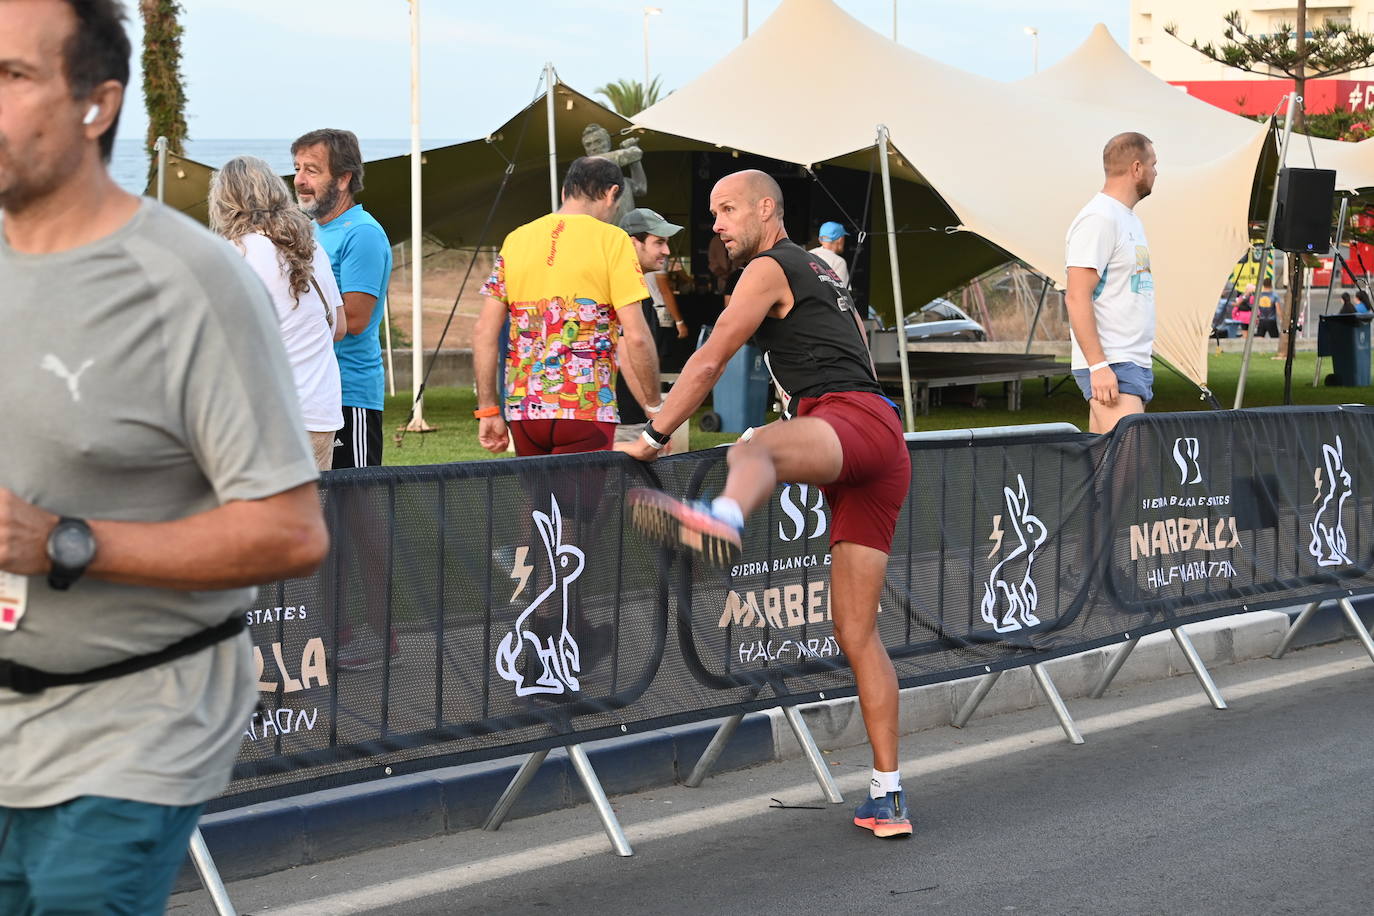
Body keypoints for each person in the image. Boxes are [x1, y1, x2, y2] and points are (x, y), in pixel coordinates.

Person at [0, 1, 328, 911]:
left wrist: (67, 542)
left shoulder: (191, 281)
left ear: (97, 105)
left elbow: (292, 533)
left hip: (132, 727)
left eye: (11, 77)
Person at [622, 170, 913, 839]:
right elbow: (852, 354)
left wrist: (656, 433)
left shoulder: (769, 267)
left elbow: (711, 359)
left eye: (726, 210)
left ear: (765, 209)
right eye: (713, 213)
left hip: (851, 425)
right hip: (880, 443)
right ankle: (887, 796)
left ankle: (722, 521)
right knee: (857, 632)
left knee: (750, 452)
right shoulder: (825, 266)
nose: (717, 224)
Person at [473, 156, 662, 456]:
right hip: (586, 408)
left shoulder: (516, 239)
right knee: (583, 503)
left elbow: (484, 331)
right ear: (613, 193)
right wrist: (655, 406)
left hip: (525, 410)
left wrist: (487, 410)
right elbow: (636, 336)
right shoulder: (614, 240)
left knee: (538, 501)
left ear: (565, 193)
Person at [210, 155, 347, 470]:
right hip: (318, 414)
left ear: (225, 202)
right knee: (312, 516)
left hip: (261, 418)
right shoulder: (310, 247)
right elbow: (338, 327)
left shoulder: (232, 254)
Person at [291, 128, 392, 469]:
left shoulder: (362, 233)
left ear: (344, 178)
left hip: (351, 394)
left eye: (312, 170)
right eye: (298, 168)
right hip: (313, 393)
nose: (299, 180)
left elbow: (356, 320)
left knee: (356, 508)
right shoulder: (314, 231)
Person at [1064, 132, 1158, 435]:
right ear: (1136, 168)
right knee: (1131, 463)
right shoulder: (1099, 219)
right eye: (1153, 164)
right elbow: (1076, 296)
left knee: (1107, 471)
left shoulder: (1129, 219)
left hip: (1133, 360)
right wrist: (1098, 366)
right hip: (1112, 363)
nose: (1157, 172)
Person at [615, 207, 687, 444]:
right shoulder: (625, 291)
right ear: (634, 243)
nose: (666, 251)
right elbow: (626, 354)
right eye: (659, 243)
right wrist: (653, 414)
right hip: (626, 422)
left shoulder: (634, 287)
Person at [809, 220, 850, 288]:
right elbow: (842, 293)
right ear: (840, 239)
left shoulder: (808, 254)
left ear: (820, 240)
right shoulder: (838, 262)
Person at [1256, 277, 1281, 341]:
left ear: (1263, 285)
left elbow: (1256, 309)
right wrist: (1281, 319)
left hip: (1261, 320)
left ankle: (1260, 351)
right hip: (1271, 320)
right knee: (1275, 339)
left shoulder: (1259, 295)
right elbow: (1278, 310)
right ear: (1271, 284)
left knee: (1260, 339)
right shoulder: (1274, 295)